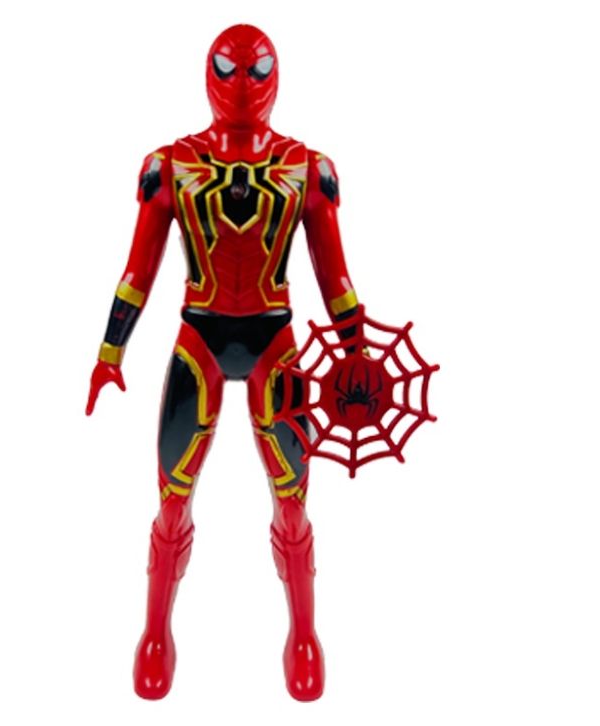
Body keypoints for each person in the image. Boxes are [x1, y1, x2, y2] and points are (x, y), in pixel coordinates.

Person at [86, 24, 358, 701]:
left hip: (275, 340)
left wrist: (357, 356)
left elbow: (337, 282)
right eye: (229, 70)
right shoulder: (171, 165)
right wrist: (110, 350)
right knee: (171, 498)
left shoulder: (308, 168)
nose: (242, 85)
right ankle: (155, 632)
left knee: (293, 501)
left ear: (276, 75)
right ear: (207, 74)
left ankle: (304, 634)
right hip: (200, 338)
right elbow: (138, 271)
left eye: (256, 70)